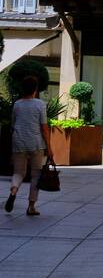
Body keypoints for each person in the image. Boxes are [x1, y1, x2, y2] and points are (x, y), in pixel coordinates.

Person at [5, 76, 52, 217]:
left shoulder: (17, 104)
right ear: (35, 89)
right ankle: (31, 206)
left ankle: (13, 191)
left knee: (18, 173)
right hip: (35, 143)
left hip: (19, 142)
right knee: (35, 175)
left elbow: (13, 126)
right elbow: (44, 128)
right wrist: (49, 147)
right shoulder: (40, 104)